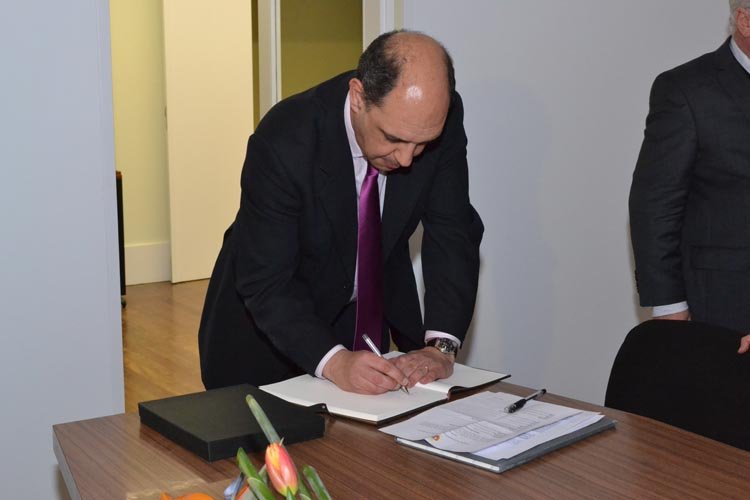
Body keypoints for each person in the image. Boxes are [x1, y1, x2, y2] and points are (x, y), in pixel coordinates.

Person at [198, 30, 483, 394]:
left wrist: (440, 348)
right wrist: (333, 361)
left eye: (422, 144)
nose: (406, 159)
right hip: (267, 330)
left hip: (358, 325)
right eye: (393, 139)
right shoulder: (286, 137)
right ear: (358, 97)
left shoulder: (433, 118)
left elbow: (452, 230)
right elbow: (266, 279)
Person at [629, 1, 750, 353]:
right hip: (728, 305)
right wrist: (669, 307)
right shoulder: (686, 89)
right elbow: (654, 204)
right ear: (745, 21)